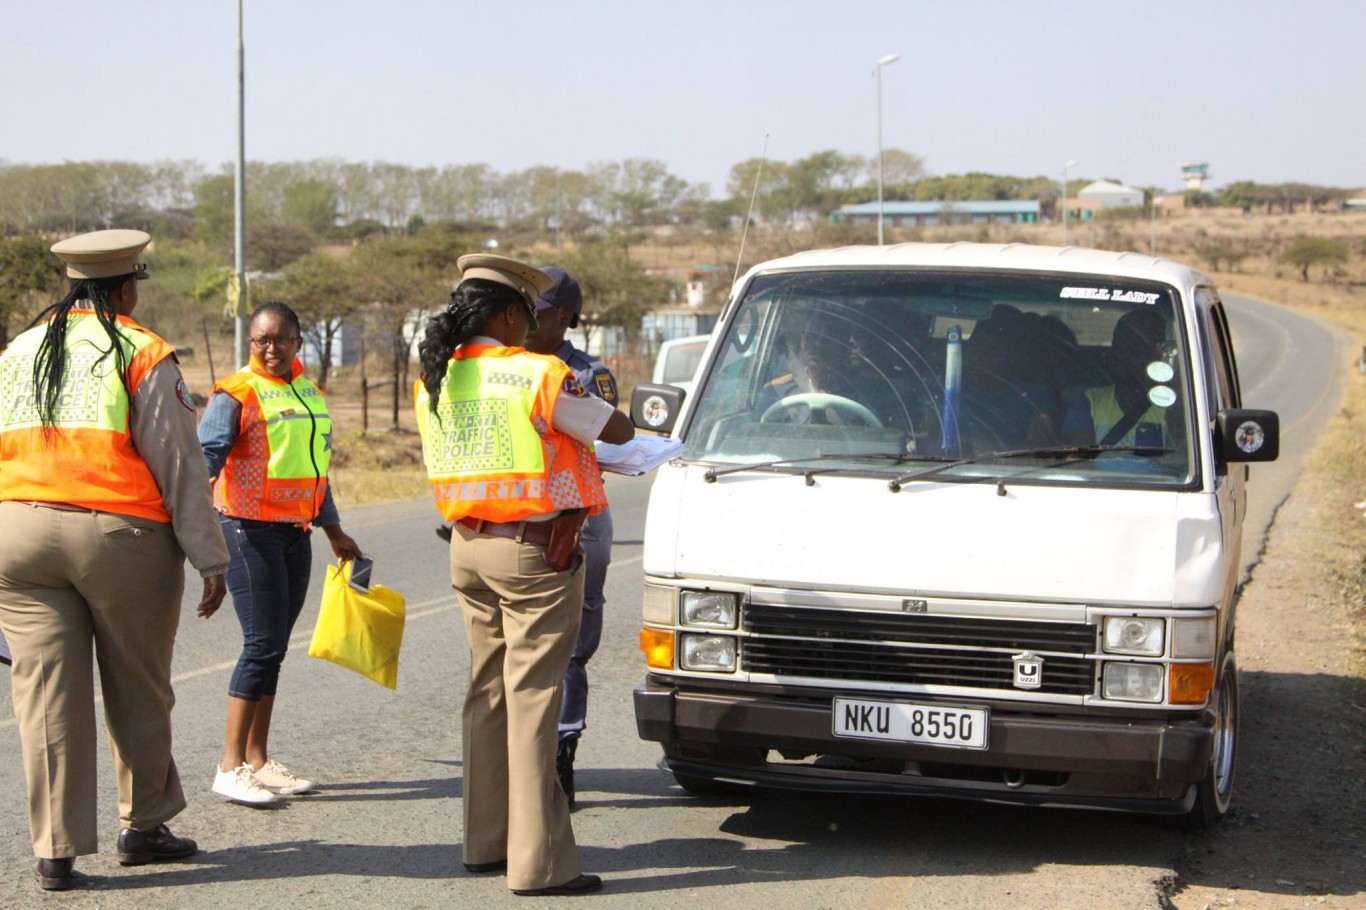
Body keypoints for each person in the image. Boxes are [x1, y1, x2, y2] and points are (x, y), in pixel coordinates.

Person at [0, 229, 231, 892]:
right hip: (117, 536)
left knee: (45, 696)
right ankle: (145, 827)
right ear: (127, 287)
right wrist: (209, 555)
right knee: (137, 686)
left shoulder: (17, 350)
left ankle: (55, 852)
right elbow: (178, 461)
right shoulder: (141, 349)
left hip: (15, 534)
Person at [415, 254, 633, 897]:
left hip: (468, 546)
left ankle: (485, 842)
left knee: (487, 693)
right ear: (510, 314)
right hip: (534, 553)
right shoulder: (538, 373)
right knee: (536, 700)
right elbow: (615, 429)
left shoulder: (436, 375)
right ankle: (539, 865)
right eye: (528, 313)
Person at [199, 300, 363, 806]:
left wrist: (334, 531)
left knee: (276, 649)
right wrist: (200, 542)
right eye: (260, 341)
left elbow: (316, 470)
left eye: (280, 340)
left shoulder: (309, 391)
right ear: (251, 343)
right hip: (247, 531)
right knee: (261, 645)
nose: (270, 349)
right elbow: (204, 463)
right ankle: (229, 765)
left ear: (298, 341)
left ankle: (258, 760)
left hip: (297, 533)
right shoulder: (236, 393)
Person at [522, 267, 617, 807]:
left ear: (563, 317)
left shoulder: (588, 373)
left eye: (534, 310)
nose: (523, 319)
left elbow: (609, 442)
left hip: (580, 518)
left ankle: (563, 753)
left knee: (573, 649)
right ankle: (522, 756)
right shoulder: (505, 367)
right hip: (519, 517)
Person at [1061, 308, 1182, 449]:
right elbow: (1079, 464)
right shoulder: (1090, 402)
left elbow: (1186, 457)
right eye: (1120, 345)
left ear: (1160, 353)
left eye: (1136, 348)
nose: (1123, 355)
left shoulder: (1174, 404)